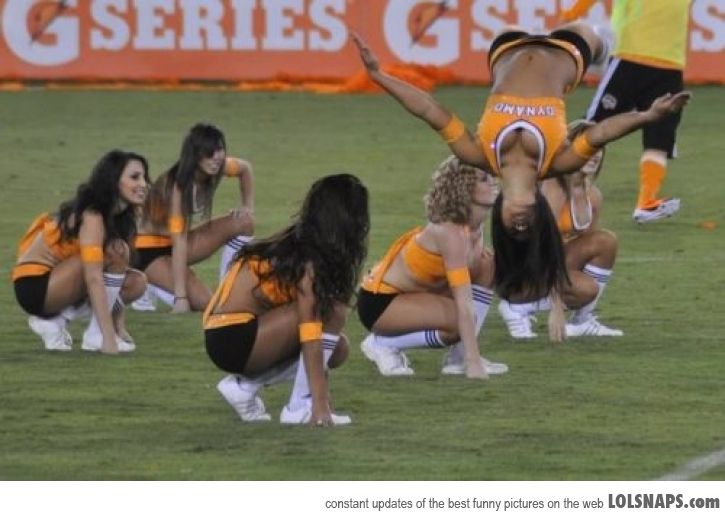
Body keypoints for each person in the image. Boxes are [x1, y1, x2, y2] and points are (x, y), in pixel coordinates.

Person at [351, 27, 688, 340]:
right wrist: (646, 117)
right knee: (588, 33)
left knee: (505, 33)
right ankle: (601, 48)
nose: (521, 224)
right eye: (528, 227)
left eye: (514, 229)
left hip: (506, 51)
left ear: (499, 216)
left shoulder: (476, 154)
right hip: (565, 55)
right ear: (539, 212)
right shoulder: (559, 162)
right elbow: (600, 132)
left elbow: (429, 110)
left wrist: (379, 76)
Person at [204, 173, 369, 426]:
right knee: (328, 313)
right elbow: (310, 331)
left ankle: (245, 387)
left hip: (241, 334)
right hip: (231, 336)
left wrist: (325, 400)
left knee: (338, 349)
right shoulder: (309, 257)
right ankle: (299, 407)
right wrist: (320, 405)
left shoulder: (308, 243)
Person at [358, 156, 507, 379]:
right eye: (484, 179)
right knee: (457, 322)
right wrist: (474, 363)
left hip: (415, 295)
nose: (493, 181)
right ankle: (382, 344)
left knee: (488, 265)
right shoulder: (449, 232)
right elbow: (464, 302)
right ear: (465, 188)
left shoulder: (474, 225)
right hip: (381, 303)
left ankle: (458, 358)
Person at [561, 0, 691, 223]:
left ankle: (646, 202)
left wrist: (573, 13)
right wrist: (574, 12)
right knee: (592, 126)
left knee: (659, 139)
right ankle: (554, 176)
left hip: (669, 63)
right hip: (632, 56)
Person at [12, 150, 150, 354]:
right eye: (135, 177)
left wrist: (119, 326)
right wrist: (108, 338)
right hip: (35, 285)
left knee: (136, 282)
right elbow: (93, 278)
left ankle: (58, 321)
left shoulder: (120, 216)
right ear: (113, 180)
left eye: (145, 177)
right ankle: (96, 335)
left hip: (61, 280)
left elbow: (116, 274)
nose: (144, 184)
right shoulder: (92, 215)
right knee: (114, 251)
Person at [499, 122, 622, 338]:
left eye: (598, 148)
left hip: (553, 266)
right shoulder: (552, 187)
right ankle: (516, 307)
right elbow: (543, 248)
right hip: (525, 268)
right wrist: (556, 307)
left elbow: (589, 246)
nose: (595, 154)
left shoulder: (593, 195)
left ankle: (583, 320)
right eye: (588, 147)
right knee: (586, 289)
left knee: (606, 241)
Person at [134, 123, 254, 313]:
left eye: (219, 150)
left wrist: (247, 207)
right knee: (207, 305)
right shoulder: (177, 186)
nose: (216, 158)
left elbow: (245, 169)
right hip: (148, 249)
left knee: (245, 222)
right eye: (209, 153)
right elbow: (179, 242)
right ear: (195, 156)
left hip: (178, 240)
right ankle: (149, 282)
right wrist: (180, 298)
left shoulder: (217, 166)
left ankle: (228, 291)